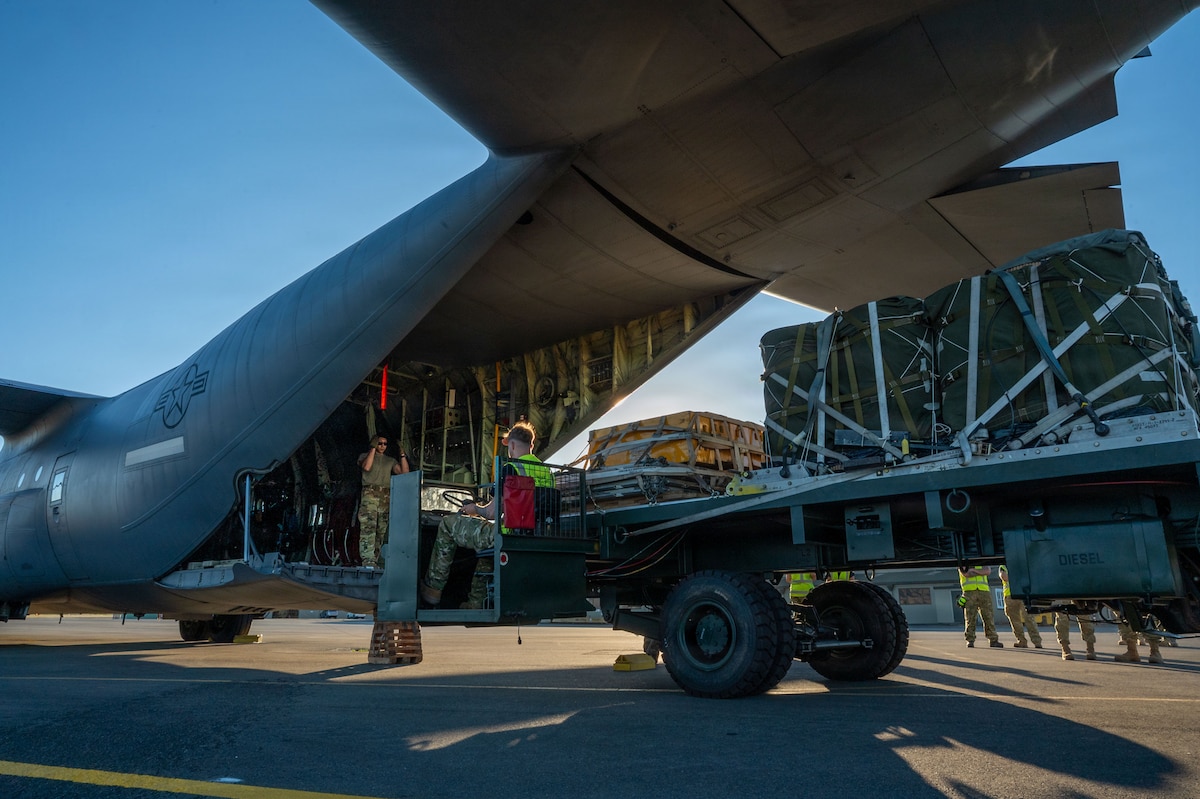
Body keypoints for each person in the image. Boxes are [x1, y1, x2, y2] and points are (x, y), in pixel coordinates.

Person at [420, 421, 553, 606]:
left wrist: (474, 509)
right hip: (537, 535)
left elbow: (491, 512)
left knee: (447, 525)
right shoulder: (547, 471)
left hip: (507, 535)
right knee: (485, 558)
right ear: (532, 444)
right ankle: (476, 603)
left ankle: (432, 590)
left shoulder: (511, 468)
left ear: (512, 445)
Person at [356, 434, 409, 567]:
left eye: (385, 444)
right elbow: (366, 467)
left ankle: (375, 558)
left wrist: (402, 454)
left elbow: (404, 473)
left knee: (381, 529)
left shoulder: (389, 460)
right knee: (368, 526)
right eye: (380, 443)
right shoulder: (364, 456)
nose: (382, 446)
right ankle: (367, 559)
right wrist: (372, 449)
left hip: (385, 496)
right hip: (370, 494)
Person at [998, 565, 1043, 649]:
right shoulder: (1003, 566)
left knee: (1029, 618)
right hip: (1010, 595)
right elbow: (1004, 577)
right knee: (1015, 620)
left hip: (1024, 594)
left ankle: (1037, 641)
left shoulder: (1024, 563)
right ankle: (1021, 641)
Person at [959, 563, 1002, 648]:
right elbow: (966, 574)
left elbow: (987, 571)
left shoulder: (982, 560)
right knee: (970, 617)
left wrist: (973, 570)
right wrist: (980, 572)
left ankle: (993, 639)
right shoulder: (962, 561)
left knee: (988, 616)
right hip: (969, 592)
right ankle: (970, 640)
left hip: (984, 591)